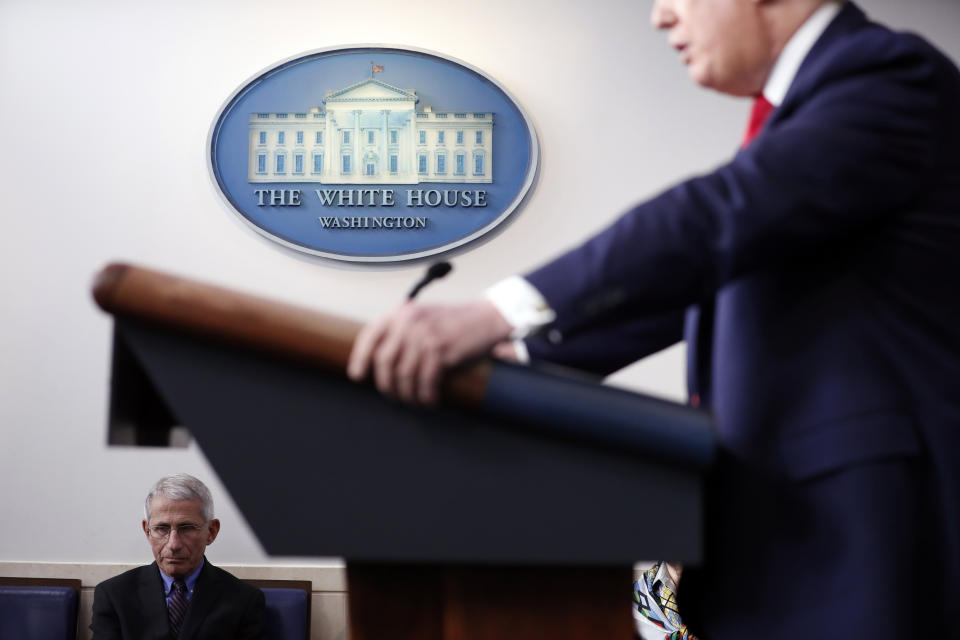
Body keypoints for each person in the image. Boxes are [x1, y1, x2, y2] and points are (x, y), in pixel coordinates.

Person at [348, 0, 960, 638]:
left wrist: (494, 312)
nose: (660, 16)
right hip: (786, 537)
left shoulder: (890, 73)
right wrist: (521, 363)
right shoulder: (807, 113)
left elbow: (718, 213)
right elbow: (712, 283)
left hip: (868, 534)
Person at [90, 473, 266, 640]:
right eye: (161, 528)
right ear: (147, 531)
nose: (173, 544)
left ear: (211, 532)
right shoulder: (114, 595)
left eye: (187, 528)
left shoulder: (244, 600)